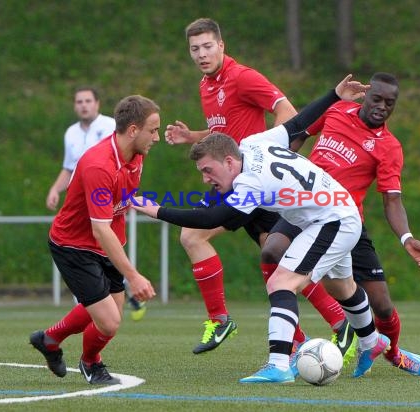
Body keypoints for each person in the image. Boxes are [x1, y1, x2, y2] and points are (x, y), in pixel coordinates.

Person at [133, 75, 390, 383]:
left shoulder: (248, 184)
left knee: (281, 283)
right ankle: (372, 342)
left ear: (228, 161)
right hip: (331, 210)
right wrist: (333, 94)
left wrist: (157, 210)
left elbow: (213, 218)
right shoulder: (252, 144)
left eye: (207, 171)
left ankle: (279, 365)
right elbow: (298, 124)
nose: (205, 179)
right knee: (342, 287)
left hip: (331, 220)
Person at [165, 17, 355, 358]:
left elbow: (287, 111)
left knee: (194, 236)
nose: (202, 54)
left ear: (222, 46)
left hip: (253, 180)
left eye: (208, 46)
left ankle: (222, 320)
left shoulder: (243, 77)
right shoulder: (206, 85)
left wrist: (272, 161)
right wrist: (193, 137)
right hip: (232, 180)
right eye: (195, 49)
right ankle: (336, 324)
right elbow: (222, 135)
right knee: (276, 256)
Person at [267, 72, 420, 376]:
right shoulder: (336, 110)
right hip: (307, 207)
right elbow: (300, 135)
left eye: (390, 103)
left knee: (382, 304)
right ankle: (296, 337)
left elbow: (392, 200)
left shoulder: (388, 147)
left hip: (346, 222)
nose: (383, 107)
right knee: (273, 250)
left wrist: (406, 238)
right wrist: (272, 164)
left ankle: (391, 352)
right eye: (377, 99)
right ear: (365, 95)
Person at [30, 95, 159, 385]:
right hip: (73, 244)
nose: (158, 137)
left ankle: (49, 339)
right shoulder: (98, 164)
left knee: (109, 313)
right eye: (153, 130)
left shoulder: (137, 156)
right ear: (134, 130)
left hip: (104, 241)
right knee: (109, 321)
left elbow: (119, 196)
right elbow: (100, 228)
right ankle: (91, 364)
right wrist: (134, 276)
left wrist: (139, 202)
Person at [45, 86, 146, 321]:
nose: (83, 105)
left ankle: (116, 296)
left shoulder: (113, 126)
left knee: (104, 255)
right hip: (81, 203)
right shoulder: (71, 133)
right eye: (79, 101)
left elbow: (122, 164)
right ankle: (102, 307)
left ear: (97, 104)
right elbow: (69, 167)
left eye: (88, 100)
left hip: (104, 202)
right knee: (93, 294)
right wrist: (54, 188)